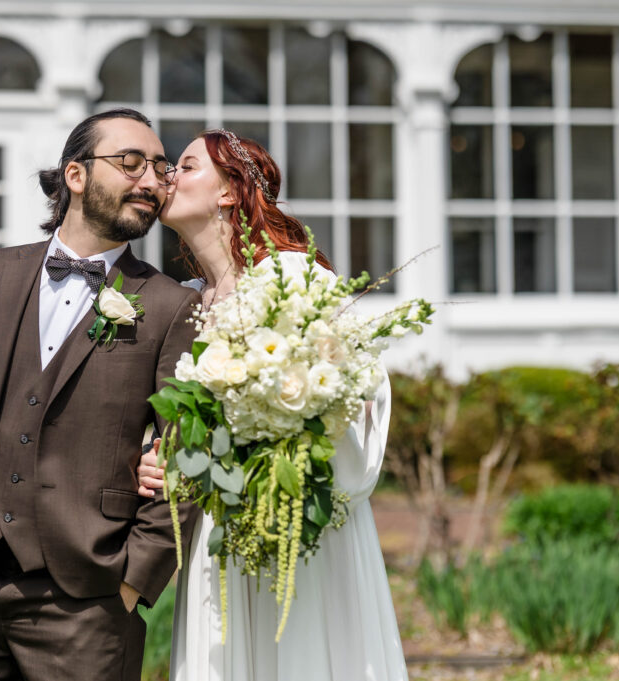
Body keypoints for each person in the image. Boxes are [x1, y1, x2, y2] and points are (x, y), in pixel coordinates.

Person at [0, 107, 200, 681]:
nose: (150, 180)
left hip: (88, 602)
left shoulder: (170, 306)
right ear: (76, 175)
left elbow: (187, 454)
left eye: (161, 167)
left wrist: (133, 581)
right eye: (130, 162)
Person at [136, 130, 409, 681]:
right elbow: (172, 414)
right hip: (218, 527)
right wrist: (159, 454)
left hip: (292, 518)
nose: (168, 178)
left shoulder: (294, 276)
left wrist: (279, 431)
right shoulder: (182, 299)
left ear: (228, 192)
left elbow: (360, 385)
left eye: (184, 166)